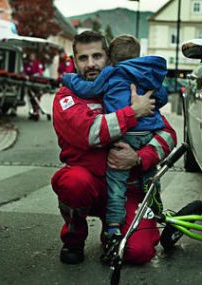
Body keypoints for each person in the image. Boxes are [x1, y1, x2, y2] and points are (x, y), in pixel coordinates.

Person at [51, 31, 177, 266]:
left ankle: (114, 231)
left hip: (126, 188)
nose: (91, 64)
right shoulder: (66, 96)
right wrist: (132, 113)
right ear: (74, 60)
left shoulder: (134, 87)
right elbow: (90, 133)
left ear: (109, 59)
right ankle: (74, 235)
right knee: (72, 181)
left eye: (97, 56)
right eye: (83, 58)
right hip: (90, 186)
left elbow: (168, 135)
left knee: (138, 253)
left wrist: (139, 158)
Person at [23, 52, 44, 120]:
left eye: (33, 56)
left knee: (36, 98)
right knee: (31, 98)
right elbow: (24, 71)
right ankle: (34, 112)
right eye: (30, 56)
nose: (31, 57)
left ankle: (36, 112)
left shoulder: (38, 63)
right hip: (30, 83)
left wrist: (36, 75)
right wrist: (25, 75)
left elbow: (40, 72)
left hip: (37, 83)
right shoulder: (27, 64)